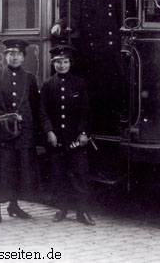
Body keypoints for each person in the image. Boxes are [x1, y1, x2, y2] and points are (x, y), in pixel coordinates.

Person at [50, 0, 123, 135]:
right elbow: (73, 19)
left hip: (110, 56)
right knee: (90, 95)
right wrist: (59, 24)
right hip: (90, 56)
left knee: (112, 93)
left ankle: (111, 130)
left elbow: (122, 24)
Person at [0, 39, 41, 224]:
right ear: (5, 56)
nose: (15, 57)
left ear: (23, 57)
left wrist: (38, 131)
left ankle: (14, 205)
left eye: (18, 54)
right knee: (0, 171)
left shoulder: (29, 78)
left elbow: (36, 106)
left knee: (18, 169)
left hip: (22, 132)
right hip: (1, 132)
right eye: (11, 54)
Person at [40, 44, 95, 226]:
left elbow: (86, 111)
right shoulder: (48, 85)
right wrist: (49, 131)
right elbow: (43, 112)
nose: (61, 65)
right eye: (58, 62)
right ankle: (61, 209)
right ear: (53, 64)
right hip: (56, 138)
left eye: (65, 62)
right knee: (58, 174)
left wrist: (84, 133)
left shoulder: (79, 83)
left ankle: (82, 211)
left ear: (70, 63)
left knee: (79, 174)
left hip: (75, 139)